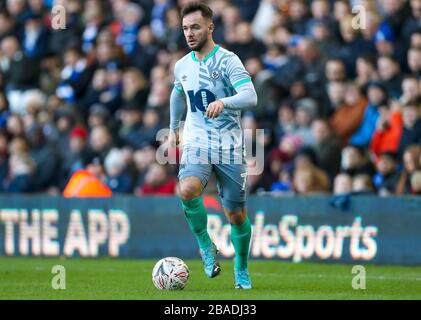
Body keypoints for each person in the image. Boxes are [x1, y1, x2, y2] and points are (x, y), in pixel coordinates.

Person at [168, 2, 257, 289]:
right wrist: (173, 129)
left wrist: (224, 102)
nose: (189, 34)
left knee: (236, 215)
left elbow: (250, 96)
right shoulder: (182, 65)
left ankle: (240, 267)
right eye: (185, 28)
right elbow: (177, 94)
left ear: (210, 27)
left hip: (230, 146)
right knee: (188, 189)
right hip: (197, 142)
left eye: (195, 27)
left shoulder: (229, 60)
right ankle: (206, 246)